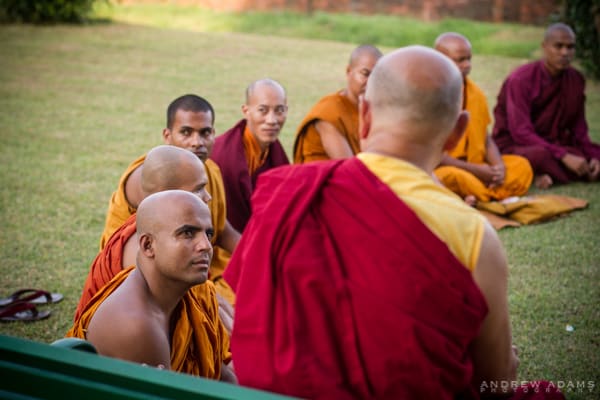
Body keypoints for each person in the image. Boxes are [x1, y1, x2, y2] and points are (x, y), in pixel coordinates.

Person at [224, 46, 564, 399]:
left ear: (364, 115)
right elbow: (496, 381)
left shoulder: (289, 194)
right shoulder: (474, 235)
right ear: (458, 131)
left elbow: (249, 309)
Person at [68, 190, 236, 382]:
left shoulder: (188, 293)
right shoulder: (138, 326)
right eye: (188, 233)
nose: (206, 245)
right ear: (148, 245)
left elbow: (220, 372)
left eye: (208, 233)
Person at [74, 145, 234, 334]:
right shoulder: (143, 249)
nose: (208, 197)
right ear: (168, 193)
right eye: (199, 189)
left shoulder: (168, 231)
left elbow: (204, 298)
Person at [98, 94, 240, 305]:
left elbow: (224, 230)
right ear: (167, 135)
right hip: (148, 273)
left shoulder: (209, 170)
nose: (197, 142)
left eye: (205, 132)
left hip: (198, 259)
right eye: (186, 132)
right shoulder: (152, 176)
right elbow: (160, 252)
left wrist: (262, 255)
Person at [492, 22, 600, 188]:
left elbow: (579, 130)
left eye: (570, 47)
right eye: (558, 46)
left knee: (595, 153)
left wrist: (594, 156)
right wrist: (563, 156)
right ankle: (551, 172)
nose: (565, 53)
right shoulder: (521, 79)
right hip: (517, 145)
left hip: (553, 143)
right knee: (540, 155)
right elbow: (521, 132)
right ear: (544, 47)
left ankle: (548, 173)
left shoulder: (576, 80)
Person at [433, 32, 533, 202]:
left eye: (469, 59)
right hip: (445, 168)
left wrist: (498, 168)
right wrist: (477, 171)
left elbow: (485, 138)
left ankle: (476, 197)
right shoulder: (429, 94)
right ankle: (488, 197)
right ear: (439, 60)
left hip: (477, 167)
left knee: (521, 167)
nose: (467, 65)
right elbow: (433, 153)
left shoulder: (475, 93)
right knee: (451, 177)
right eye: (460, 60)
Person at [210, 78, 289, 232]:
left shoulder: (274, 151)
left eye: (279, 110)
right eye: (263, 110)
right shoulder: (225, 156)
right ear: (246, 111)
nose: (272, 120)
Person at [292, 44, 382, 163]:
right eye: (365, 74)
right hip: (327, 180)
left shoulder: (377, 112)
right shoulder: (329, 112)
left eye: (377, 76)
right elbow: (350, 170)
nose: (371, 82)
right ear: (349, 71)